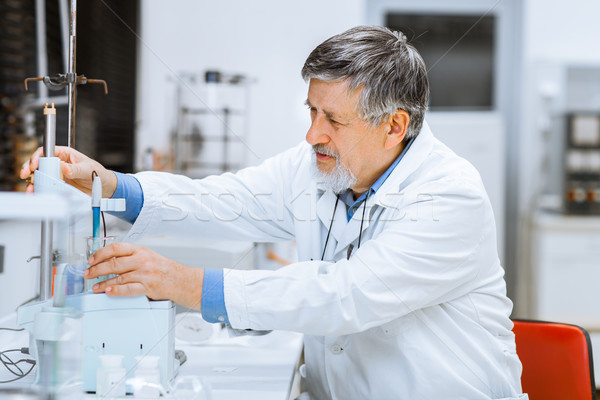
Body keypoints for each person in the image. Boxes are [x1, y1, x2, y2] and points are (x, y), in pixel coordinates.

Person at [21, 26, 526, 400]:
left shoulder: (449, 196)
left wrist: (184, 283)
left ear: (395, 125)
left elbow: (345, 295)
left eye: (333, 119)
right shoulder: (319, 167)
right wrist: (106, 183)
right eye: (311, 112)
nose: (312, 135)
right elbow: (223, 199)